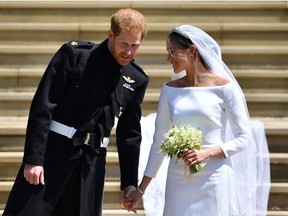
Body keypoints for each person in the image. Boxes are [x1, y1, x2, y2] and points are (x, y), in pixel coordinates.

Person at [3, 8, 149, 216]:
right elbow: (43, 108)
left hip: (92, 165)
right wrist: (34, 159)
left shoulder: (136, 78)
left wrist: (129, 183)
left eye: (135, 46)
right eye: (123, 44)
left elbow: (130, 134)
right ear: (111, 35)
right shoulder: (75, 56)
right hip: (52, 156)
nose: (128, 51)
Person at [124, 25, 257, 215]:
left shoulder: (226, 89)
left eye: (173, 51)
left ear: (192, 50)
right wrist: (141, 189)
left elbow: (244, 138)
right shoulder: (169, 90)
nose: (168, 58)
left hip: (215, 177)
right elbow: (158, 144)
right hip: (177, 179)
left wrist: (207, 153)